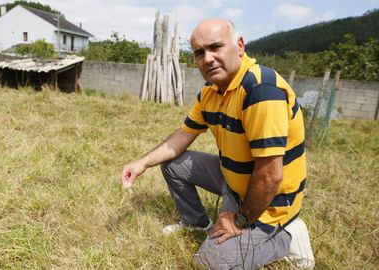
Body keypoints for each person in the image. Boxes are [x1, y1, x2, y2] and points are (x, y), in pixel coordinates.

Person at [121, 18, 314, 269]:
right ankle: (197, 222)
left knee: (210, 262)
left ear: (240, 46)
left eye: (215, 47)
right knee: (173, 163)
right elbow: (183, 135)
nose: (208, 58)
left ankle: (286, 236)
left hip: (269, 199)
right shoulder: (210, 91)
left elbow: (269, 177)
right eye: (199, 53)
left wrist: (240, 221)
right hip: (233, 180)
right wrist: (141, 164)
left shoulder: (261, 90)